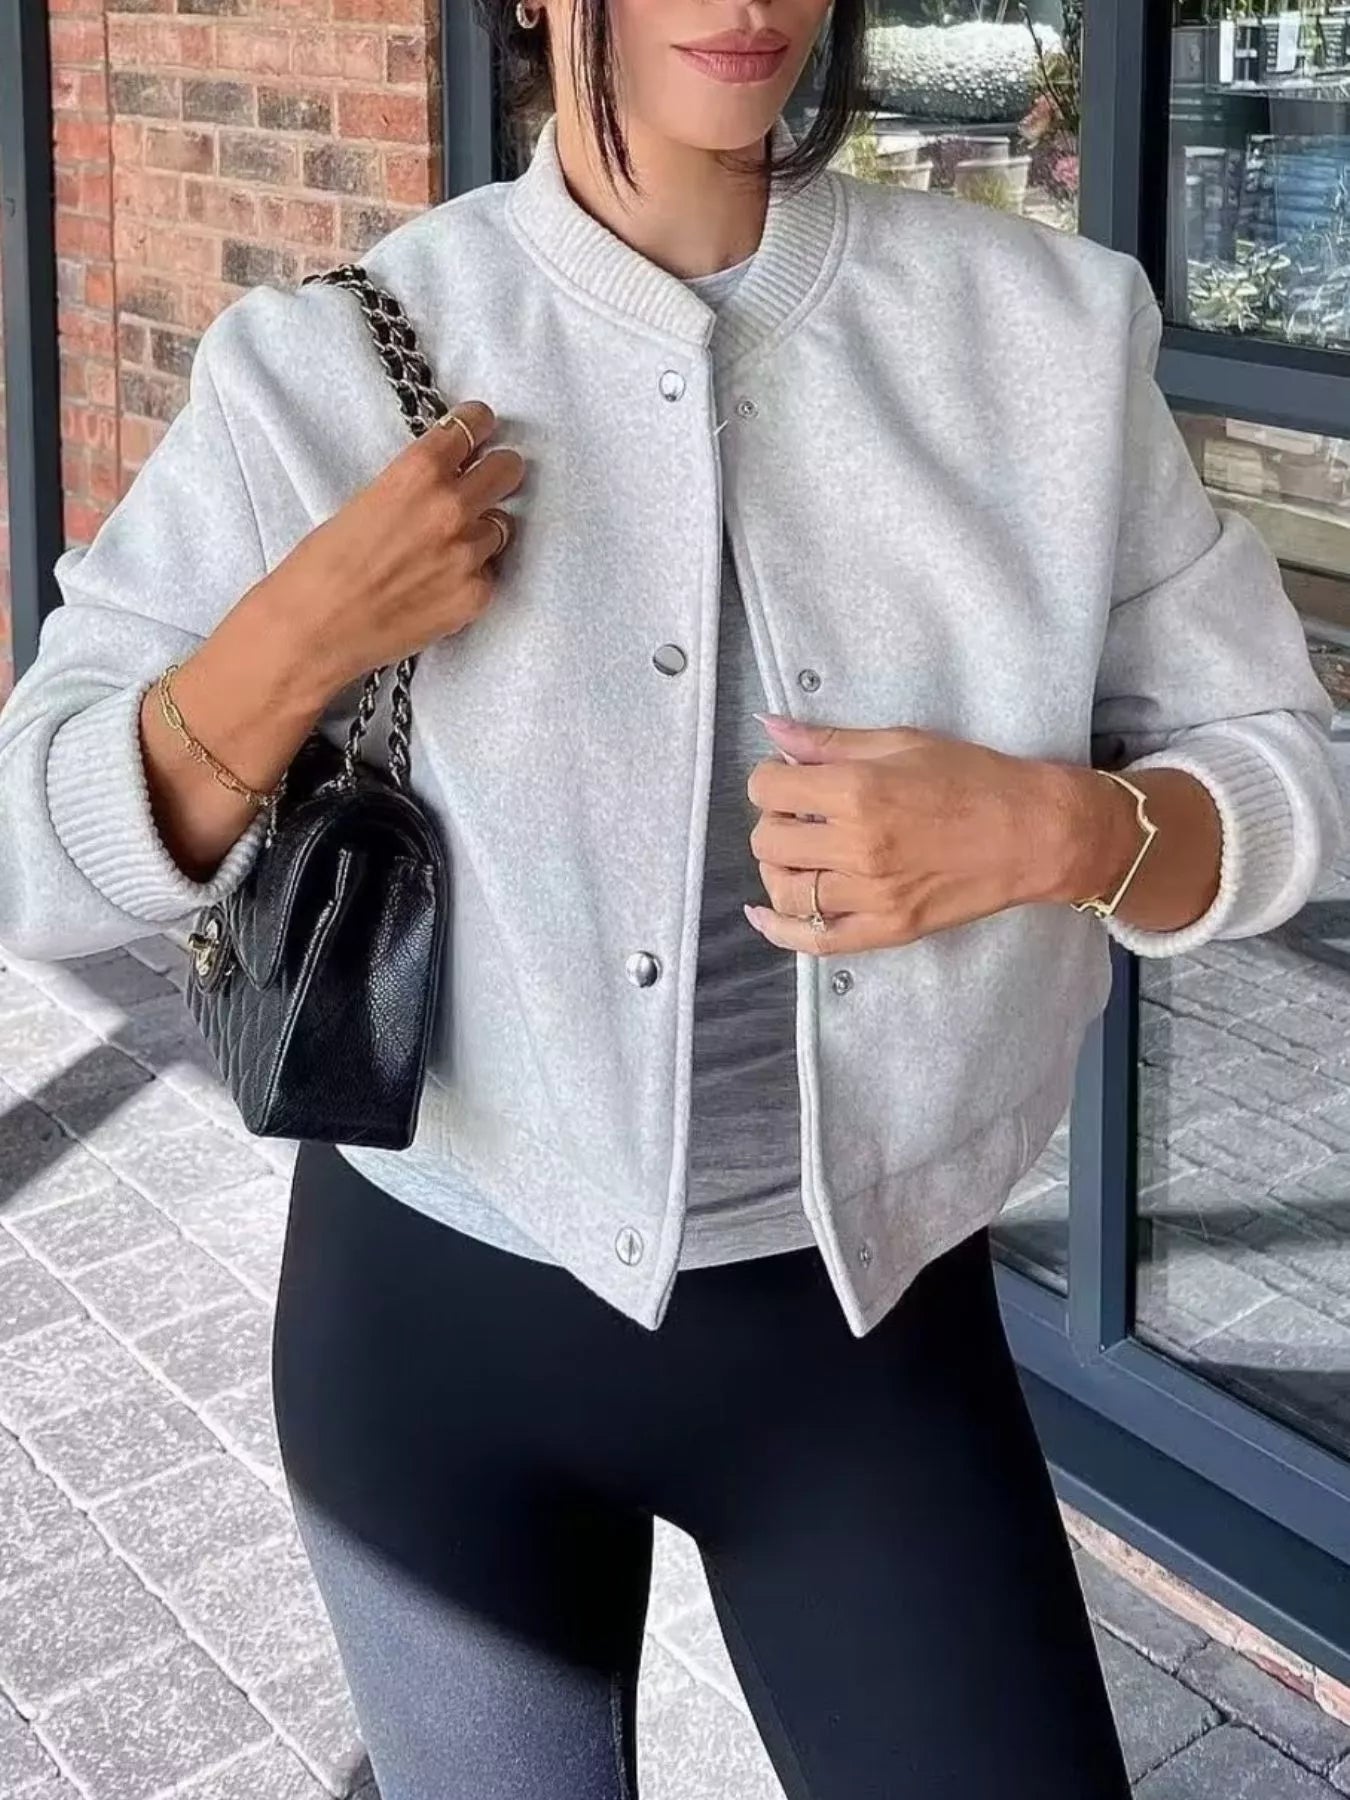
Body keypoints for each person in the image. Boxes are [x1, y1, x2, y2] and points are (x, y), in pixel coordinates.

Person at [0, 0, 1341, 1793]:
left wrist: (1067, 831)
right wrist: (287, 646)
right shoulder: (320, 364)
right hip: (430, 1322)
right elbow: (31, 853)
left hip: (869, 1336)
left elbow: (1288, 768)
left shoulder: (1044, 331)